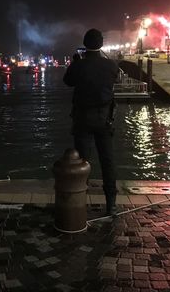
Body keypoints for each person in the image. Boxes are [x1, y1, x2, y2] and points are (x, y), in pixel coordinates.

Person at [63, 28, 120, 215]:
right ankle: (110, 203)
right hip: (104, 120)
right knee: (108, 161)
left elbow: (68, 81)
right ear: (101, 44)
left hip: (83, 120)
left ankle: (78, 202)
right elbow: (113, 80)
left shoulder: (79, 65)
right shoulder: (111, 65)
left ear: (85, 43)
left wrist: (76, 64)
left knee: (81, 162)